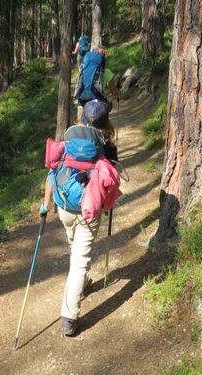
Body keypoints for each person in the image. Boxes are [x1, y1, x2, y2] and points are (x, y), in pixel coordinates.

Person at [41, 100, 121, 336]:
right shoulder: (107, 146)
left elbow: (52, 172)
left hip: (65, 207)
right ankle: (69, 316)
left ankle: (82, 282)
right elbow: (111, 179)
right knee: (79, 260)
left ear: (82, 118)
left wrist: (45, 205)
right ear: (106, 121)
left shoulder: (68, 141)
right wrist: (107, 205)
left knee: (73, 246)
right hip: (89, 209)